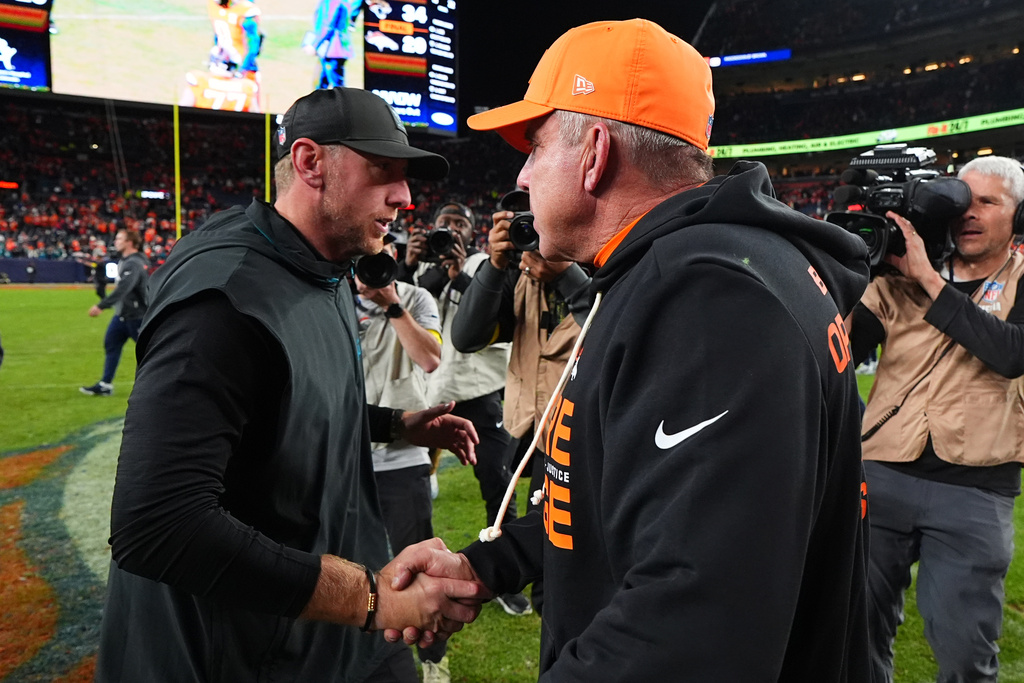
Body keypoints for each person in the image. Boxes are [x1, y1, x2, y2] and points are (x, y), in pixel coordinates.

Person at [392, 19, 872, 680]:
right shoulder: (686, 269)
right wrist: (484, 564)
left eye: (533, 147)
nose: (524, 177)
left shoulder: (708, 298)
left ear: (594, 152)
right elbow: (614, 496)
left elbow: (690, 630)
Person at [95, 87, 487, 683]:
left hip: (334, 632)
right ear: (310, 163)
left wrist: (395, 423)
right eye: (384, 171)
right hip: (246, 652)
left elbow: (286, 404)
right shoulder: (224, 300)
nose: (405, 197)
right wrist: (370, 598)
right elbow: (156, 523)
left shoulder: (321, 260)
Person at [850, 155, 1024, 683]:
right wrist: (851, 268)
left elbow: (1011, 352)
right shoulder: (894, 278)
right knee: (859, 633)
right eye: (960, 202)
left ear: (1019, 214)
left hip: (975, 492)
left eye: (987, 203)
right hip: (882, 474)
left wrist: (926, 277)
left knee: (964, 652)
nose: (969, 214)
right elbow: (838, 349)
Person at [450, 205, 591, 616]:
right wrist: (495, 265)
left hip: (588, 437)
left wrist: (566, 274)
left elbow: (614, 326)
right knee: (550, 576)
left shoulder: (605, 264)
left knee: (575, 575)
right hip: (543, 441)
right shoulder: (521, 273)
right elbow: (465, 337)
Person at [397, 201, 532, 617]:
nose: (451, 229)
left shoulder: (484, 264)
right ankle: (412, 573)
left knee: (497, 479)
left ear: (472, 233)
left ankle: (503, 576)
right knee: (411, 484)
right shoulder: (418, 272)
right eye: (444, 223)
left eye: (460, 223)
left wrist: (457, 273)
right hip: (429, 395)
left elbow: (475, 318)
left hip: (480, 392)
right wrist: (407, 265)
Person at [354, 235, 453, 682]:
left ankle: (434, 660)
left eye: (383, 253)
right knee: (345, 565)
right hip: (345, 455)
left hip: (401, 456)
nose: (374, 262)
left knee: (418, 568)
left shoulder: (416, 297)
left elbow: (431, 359)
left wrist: (392, 304)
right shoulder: (332, 296)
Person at [80, 228, 149, 397]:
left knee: (150, 353)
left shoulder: (133, 263)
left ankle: (163, 385)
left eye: (119, 238)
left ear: (129, 242)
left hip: (137, 316)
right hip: (122, 316)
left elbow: (124, 288)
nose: (116, 241)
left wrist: (101, 306)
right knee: (111, 344)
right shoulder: (126, 260)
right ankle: (105, 384)